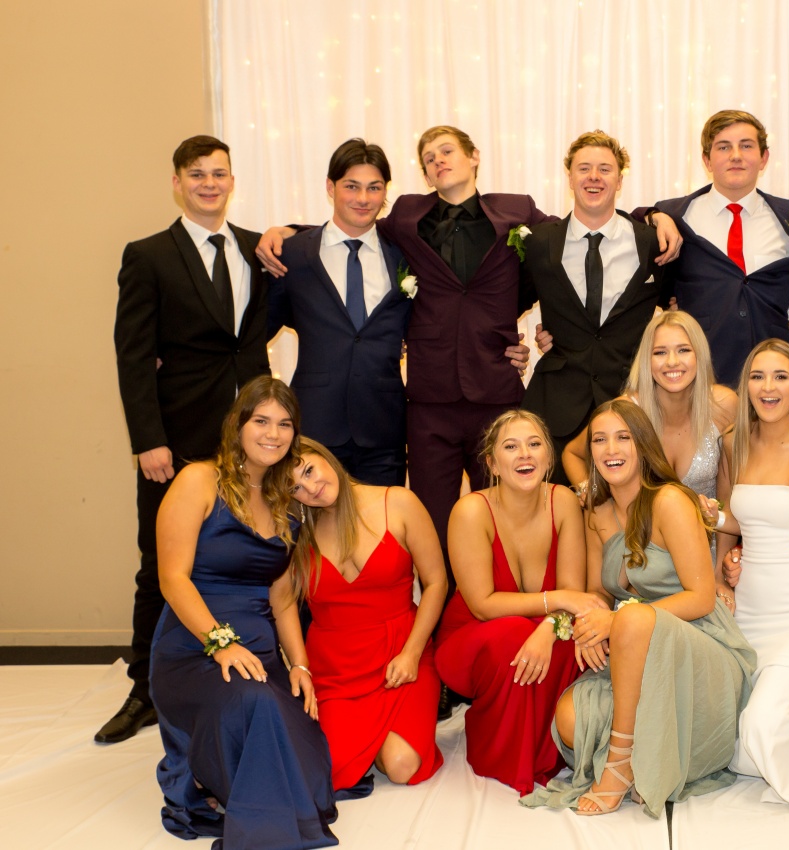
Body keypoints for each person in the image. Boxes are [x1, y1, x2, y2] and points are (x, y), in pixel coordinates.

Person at [258, 127, 681, 575]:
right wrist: (289, 232)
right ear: (424, 174)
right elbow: (355, 227)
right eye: (429, 157)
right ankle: (442, 608)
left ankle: (504, 600)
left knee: (505, 515)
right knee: (432, 522)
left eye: (447, 151)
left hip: (495, 393)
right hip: (429, 399)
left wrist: (654, 215)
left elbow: (579, 222)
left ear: (474, 156)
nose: (439, 161)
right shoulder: (406, 215)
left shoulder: (516, 211)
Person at [105, 135, 270, 745]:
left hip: (255, 443)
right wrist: (148, 438)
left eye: (219, 173)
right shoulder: (148, 255)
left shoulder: (258, 249)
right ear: (177, 182)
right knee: (161, 564)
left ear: (232, 181)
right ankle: (143, 691)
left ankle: (258, 669)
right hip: (176, 441)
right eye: (196, 174)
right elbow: (132, 355)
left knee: (258, 555)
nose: (209, 183)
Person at [522, 400, 755, 816]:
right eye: (600, 440)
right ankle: (642, 751)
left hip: (697, 643)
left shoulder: (670, 500)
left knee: (631, 616)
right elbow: (598, 592)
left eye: (623, 437)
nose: (611, 449)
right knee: (571, 720)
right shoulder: (596, 513)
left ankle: (621, 763)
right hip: (632, 647)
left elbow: (702, 597)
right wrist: (588, 624)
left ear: (642, 444)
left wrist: (616, 620)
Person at [149, 377, 336, 849]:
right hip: (194, 645)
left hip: (259, 652)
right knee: (255, 706)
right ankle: (227, 794)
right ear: (237, 425)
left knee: (309, 755)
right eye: (261, 421)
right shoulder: (198, 480)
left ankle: (228, 779)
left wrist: (300, 666)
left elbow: (282, 598)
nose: (273, 434)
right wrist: (221, 644)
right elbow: (172, 578)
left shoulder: (284, 500)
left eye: (285, 424)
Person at [436, 410, 603, 794]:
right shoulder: (471, 510)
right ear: (492, 463)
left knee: (571, 641)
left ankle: (550, 750)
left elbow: (574, 595)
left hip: (542, 626)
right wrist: (557, 602)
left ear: (548, 457)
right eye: (511, 447)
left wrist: (549, 628)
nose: (524, 454)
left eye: (534, 444)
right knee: (513, 633)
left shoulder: (563, 501)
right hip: (471, 638)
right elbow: (482, 605)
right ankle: (501, 752)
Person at [707, 339, 789, 812]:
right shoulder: (733, 444)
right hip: (748, 609)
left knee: (759, 730)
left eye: (781, 377)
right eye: (758, 376)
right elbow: (734, 520)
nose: (768, 387)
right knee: (733, 751)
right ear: (746, 386)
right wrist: (720, 571)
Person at [289, 437, 448, 793]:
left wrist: (412, 653)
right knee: (322, 772)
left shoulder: (399, 502)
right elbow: (281, 602)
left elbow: (437, 582)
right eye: (295, 487)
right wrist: (299, 665)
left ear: (325, 456)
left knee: (401, 765)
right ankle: (368, 737)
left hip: (401, 654)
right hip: (337, 669)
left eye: (309, 471)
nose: (311, 488)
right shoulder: (296, 532)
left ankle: (380, 737)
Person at [520, 131, 667, 479]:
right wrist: (506, 346)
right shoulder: (540, 242)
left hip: (629, 405)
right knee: (553, 504)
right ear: (570, 177)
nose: (594, 177)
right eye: (584, 168)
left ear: (620, 179)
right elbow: (504, 304)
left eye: (605, 169)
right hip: (555, 406)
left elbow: (678, 308)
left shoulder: (652, 242)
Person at [268, 139, 412, 485]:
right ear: (330, 187)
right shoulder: (292, 254)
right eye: (351, 186)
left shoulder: (405, 254)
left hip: (383, 429)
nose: (363, 198)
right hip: (315, 426)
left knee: (383, 518)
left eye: (374, 187)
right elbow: (258, 329)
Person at [646, 110, 789, 385]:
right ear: (707, 160)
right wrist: (653, 216)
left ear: (764, 158)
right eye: (723, 147)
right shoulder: (674, 214)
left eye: (746, 146)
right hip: (700, 379)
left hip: (770, 380)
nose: (735, 156)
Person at [561, 310, 735, 514]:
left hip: (708, 533)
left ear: (699, 354)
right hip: (641, 532)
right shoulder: (625, 410)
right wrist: (593, 493)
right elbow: (572, 453)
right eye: (660, 352)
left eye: (683, 350)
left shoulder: (724, 404)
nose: (672, 362)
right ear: (647, 359)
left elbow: (737, 482)